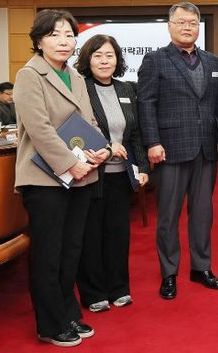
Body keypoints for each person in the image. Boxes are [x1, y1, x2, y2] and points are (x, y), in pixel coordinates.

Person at [14, 9, 111, 347]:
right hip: (45, 180)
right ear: (39, 41)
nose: (63, 41)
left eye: (69, 34)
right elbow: (39, 128)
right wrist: (70, 163)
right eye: (54, 34)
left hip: (81, 176)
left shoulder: (75, 76)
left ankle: (69, 313)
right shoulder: (29, 75)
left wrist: (101, 150)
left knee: (72, 250)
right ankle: (50, 323)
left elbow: (91, 123)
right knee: (49, 253)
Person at [138, 1, 218, 300]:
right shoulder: (155, 60)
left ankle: (201, 267)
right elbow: (146, 103)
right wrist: (152, 142)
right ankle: (169, 272)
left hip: (205, 149)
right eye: (181, 22)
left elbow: (217, 104)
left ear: (198, 26)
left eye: (192, 22)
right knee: (168, 216)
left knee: (203, 213)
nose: (187, 27)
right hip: (169, 148)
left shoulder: (212, 61)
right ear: (170, 26)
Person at [74, 34, 149, 312]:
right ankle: (94, 292)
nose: (104, 61)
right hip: (90, 174)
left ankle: (119, 287)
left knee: (118, 235)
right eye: (98, 56)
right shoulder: (81, 88)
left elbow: (136, 133)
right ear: (88, 59)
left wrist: (142, 167)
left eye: (110, 55)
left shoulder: (126, 89)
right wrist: (105, 146)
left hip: (120, 175)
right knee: (90, 235)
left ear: (117, 59)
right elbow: (76, 129)